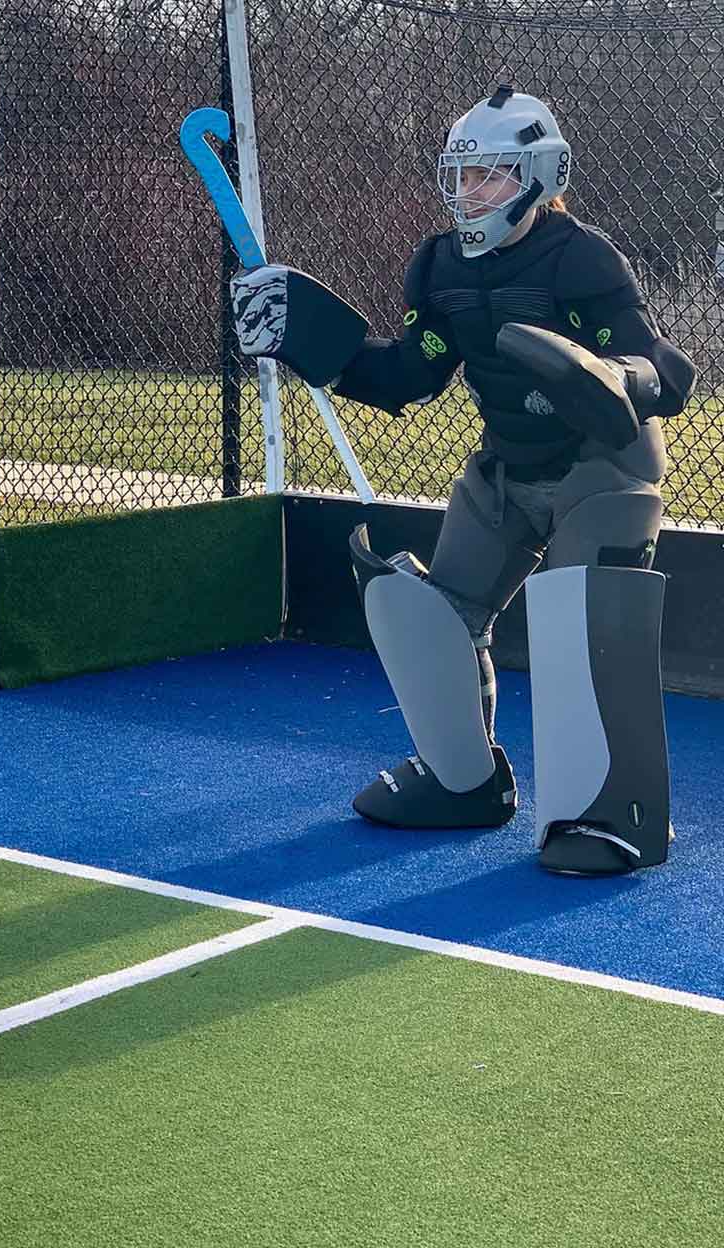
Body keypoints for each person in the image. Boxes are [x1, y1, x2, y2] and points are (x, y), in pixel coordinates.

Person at [233, 86, 697, 875]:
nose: (469, 193)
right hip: (507, 469)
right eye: (461, 174)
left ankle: (614, 815)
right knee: (433, 618)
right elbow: (408, 375)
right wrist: (312, 341)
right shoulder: (440, 266)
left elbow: (664, 371)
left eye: (491, 176)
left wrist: (613, 376)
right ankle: (463, 783)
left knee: (584, 624)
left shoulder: (581, 258)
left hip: (604, 467)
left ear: (544, 176)